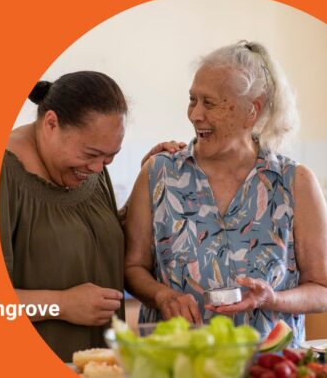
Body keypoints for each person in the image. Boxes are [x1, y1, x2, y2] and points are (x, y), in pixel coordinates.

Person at [124, 41, 327, 346]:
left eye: (210, 103)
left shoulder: (295, 182)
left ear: (251, 111)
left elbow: (321, 289)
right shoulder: (158, 173)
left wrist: (272, 299)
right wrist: (162, 295)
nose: (195, 115)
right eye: (192, 100)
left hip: (269, 365)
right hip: (176, 361)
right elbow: (131, 267)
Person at [0, 71, 182, 361]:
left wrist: (146, 181)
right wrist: (61, 304)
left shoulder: (86, 170)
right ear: (51, 124)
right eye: (92, 154)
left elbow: (96, 241)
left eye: (110, 158)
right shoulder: (1, 175)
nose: (99, 167)